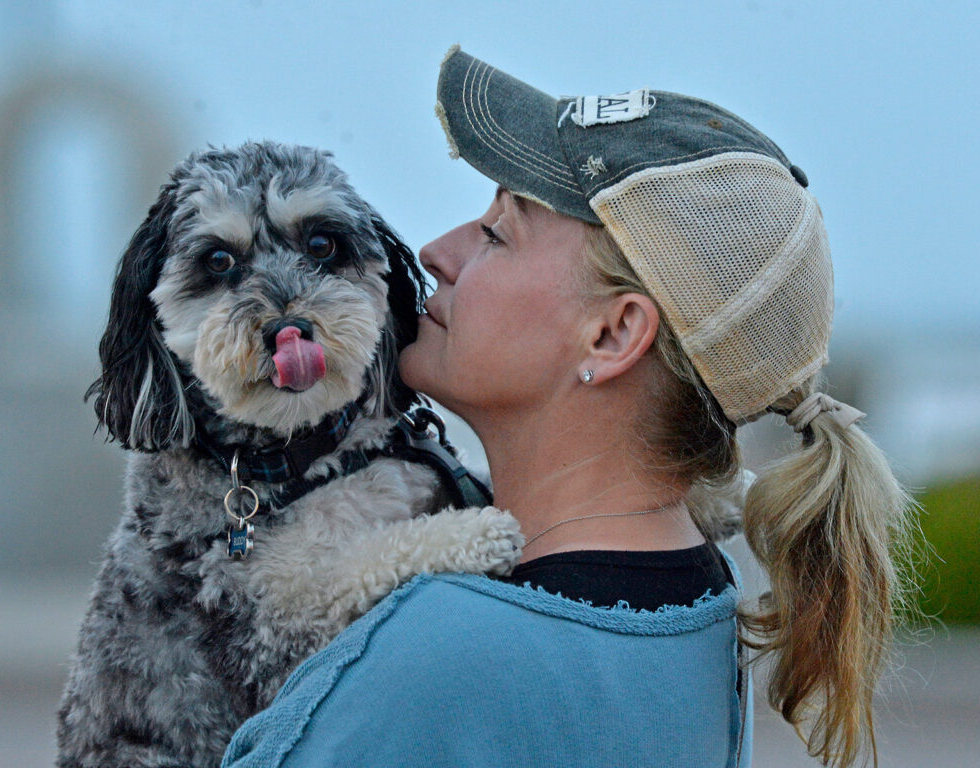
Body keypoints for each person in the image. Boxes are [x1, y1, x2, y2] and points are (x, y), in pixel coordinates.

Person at [221, 46, 914, 768]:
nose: (433, 251)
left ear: (614, 334)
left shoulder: (439, 660)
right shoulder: (700, 608)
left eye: (497, 233)